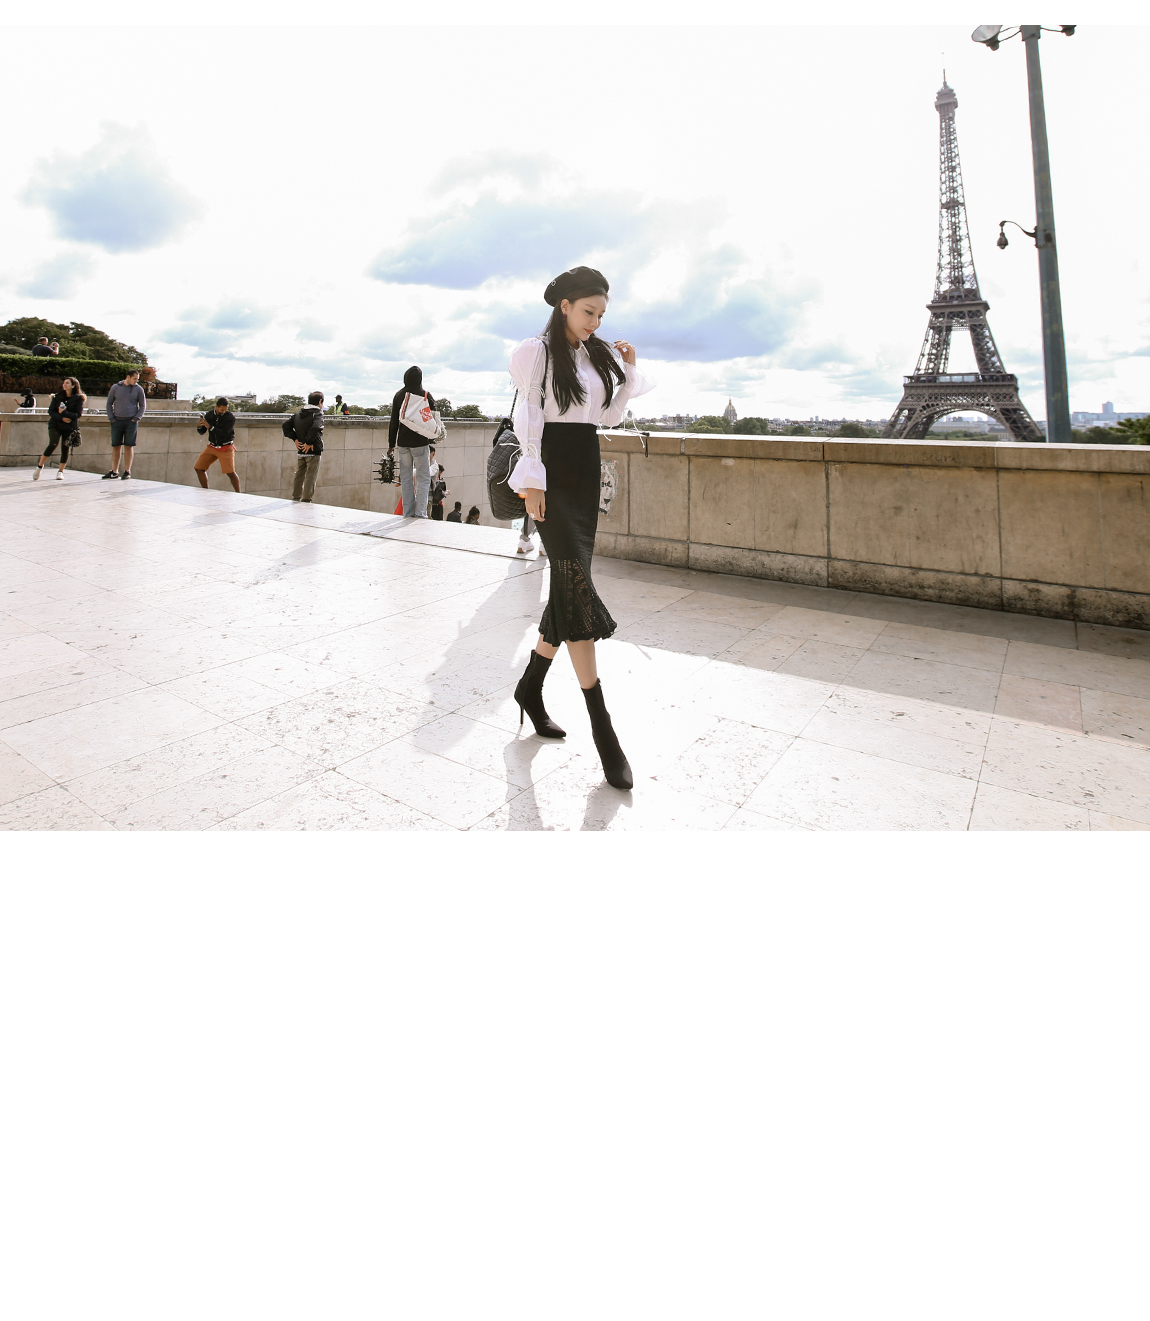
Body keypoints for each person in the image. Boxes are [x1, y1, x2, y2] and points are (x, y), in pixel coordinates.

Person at [506, 265, 653, 791]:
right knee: (576, 586)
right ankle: (604, 732)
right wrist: (532, 480)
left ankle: (530, 688)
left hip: (585, 469)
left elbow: (607, 419)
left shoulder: (596, 356)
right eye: (588, 311)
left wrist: (627, 372)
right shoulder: (536, 353)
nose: (595, 322)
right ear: (564, 305)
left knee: (569, 588)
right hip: (550, 470)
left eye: (602, 314)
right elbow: (529, 414)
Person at [387, 365, 437, 519]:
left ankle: (408, 513)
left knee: (406, 478)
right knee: (423, 478)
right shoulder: (425, 395)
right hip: (420, 442)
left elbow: (393, 422)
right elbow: (433, 417)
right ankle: (420, 513)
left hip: (403, 443)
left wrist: (391, 444)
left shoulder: (399, 395)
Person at [34, 377, 84, 480]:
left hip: (69, 426)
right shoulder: (57, 397)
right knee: (53, 443)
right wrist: (61, 418)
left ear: (73, 386)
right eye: (64, 383)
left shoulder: (78, 399)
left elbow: (78, 414)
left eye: (67, 383)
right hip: (55, 424)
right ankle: (39, 466)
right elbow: (51, 411)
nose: (64, 385)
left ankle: (60, 471)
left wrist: (65, 413)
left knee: (65, 448)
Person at [103, 368, 146, 480]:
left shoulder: (138, 389)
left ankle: (127, 471)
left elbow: (142, 405)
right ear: (128, 377)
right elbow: (109, 403)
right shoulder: (115, 387)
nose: (136, 381)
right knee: (116, 445)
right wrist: (111, 418)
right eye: (134, 379)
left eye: (137, 379)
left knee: (129, 445)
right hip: (117, 420)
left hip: (131, 421)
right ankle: (114, 471)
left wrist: (136, 418)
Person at [193, 396, 240, 492]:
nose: (224, 411)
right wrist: (200, 426)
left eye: (225, 409)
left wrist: (210, 427)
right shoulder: (209, 415)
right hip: (212, 446)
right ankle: (205, 491)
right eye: (222, 409)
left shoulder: (230, 417)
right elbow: (202, 432)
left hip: (226, 447)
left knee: (230, 472)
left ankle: (238, 493)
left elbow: (225, 433)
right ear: (216, 407)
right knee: (199, 468)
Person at [290, 392, 325, 502]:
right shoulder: (317, 413)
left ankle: (296, 496)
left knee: (299, 473)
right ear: (320, 401)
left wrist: (295, 439)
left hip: (301, 450)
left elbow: (286, 426)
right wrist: (309, 442)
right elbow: (316, 427)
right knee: (311, 475)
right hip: (313, 450)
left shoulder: (298, 414)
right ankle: (306, 498)